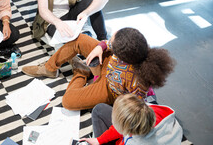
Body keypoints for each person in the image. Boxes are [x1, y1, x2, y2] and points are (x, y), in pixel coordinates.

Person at [22, 28, 175, 110]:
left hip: (110, 89)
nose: (110, 40)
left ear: (120, 54)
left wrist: (96, 81)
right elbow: (108, 42)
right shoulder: (133, 46)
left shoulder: (138, 84)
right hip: (109, 65)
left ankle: (81, 72)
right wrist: (100, 47)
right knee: (80, 39)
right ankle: (49, 68)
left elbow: (129, 109)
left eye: (112, 41)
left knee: (68, 101)